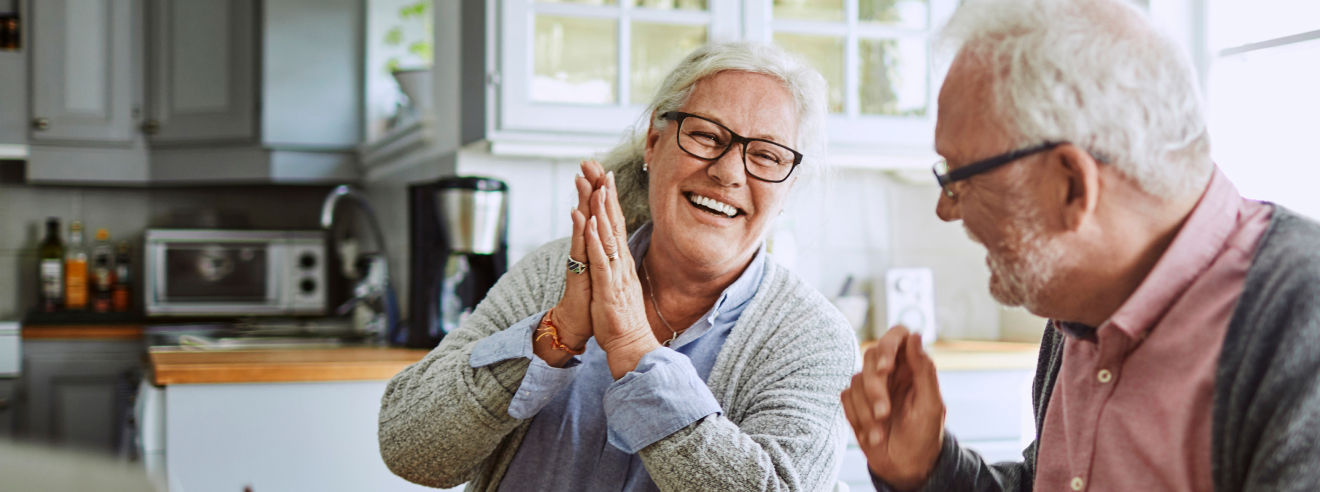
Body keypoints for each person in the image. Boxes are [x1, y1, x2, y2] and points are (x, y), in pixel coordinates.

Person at [842, 0, 1320, 490]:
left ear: (1072, 185)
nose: (946, 209)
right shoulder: (1081, 301)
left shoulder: (1302, 323)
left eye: (960, 178)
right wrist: (927, 470)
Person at [379, 42, 858, 491]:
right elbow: (409, 447)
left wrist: (634, 350)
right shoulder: (556, 271)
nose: (729, 173)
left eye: (767, 155)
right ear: (653, 141)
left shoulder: (813, 339)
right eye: (707, 136)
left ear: (788, 186)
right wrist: (558, 332)